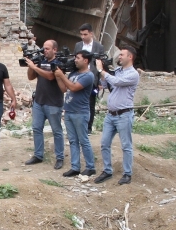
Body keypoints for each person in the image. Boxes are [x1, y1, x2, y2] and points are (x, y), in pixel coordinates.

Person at [95, 46, 140, 185]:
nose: (119, 57)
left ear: (130, 57)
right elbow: (107, 84)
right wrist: (103, 75)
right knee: (104, 143)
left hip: (124, 114)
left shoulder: (133, 74)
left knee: (126, 145)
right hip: (110, 115)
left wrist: (101, 70)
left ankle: (127, 174)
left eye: (122, 55)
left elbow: (117, 82)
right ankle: (107, 170)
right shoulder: (118, 71)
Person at [54, 51, 96, 177]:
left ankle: (90, 167)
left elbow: (73, 87)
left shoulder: (88, 76)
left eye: (78, 58)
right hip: (69, 111)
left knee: (83, 141)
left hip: (80, 113)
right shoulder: (73, 73)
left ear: (86, 61)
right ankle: (75, 167)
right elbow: (64, 89)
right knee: (73, 141)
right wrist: (57, 76)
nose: (75, 60)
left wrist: (61, 75)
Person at [24, 39, 64, 170]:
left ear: (54, 50)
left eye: (47, 48)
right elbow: (31, 77)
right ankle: (38, 155)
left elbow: (51, 76)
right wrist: (32, 65)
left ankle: (59, 157)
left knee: (56, 131)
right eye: (44, 48)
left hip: (53, 103)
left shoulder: (59, 62)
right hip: (39, 101)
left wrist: (35, 67)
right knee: (36, 129)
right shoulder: (41, 61)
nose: (44, 51)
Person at [73, 23, 104, 133]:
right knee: (77, 102)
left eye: (85, 34)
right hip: (79, 79)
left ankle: (88, 128)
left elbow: (101, 65)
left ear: (91, 33)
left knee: (90, 104)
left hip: (93, 81)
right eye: (81, 34)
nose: (83, 37)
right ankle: (77, 126)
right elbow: (74, 62)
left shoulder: (99, 47)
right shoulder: (78, 46)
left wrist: (100, 82)